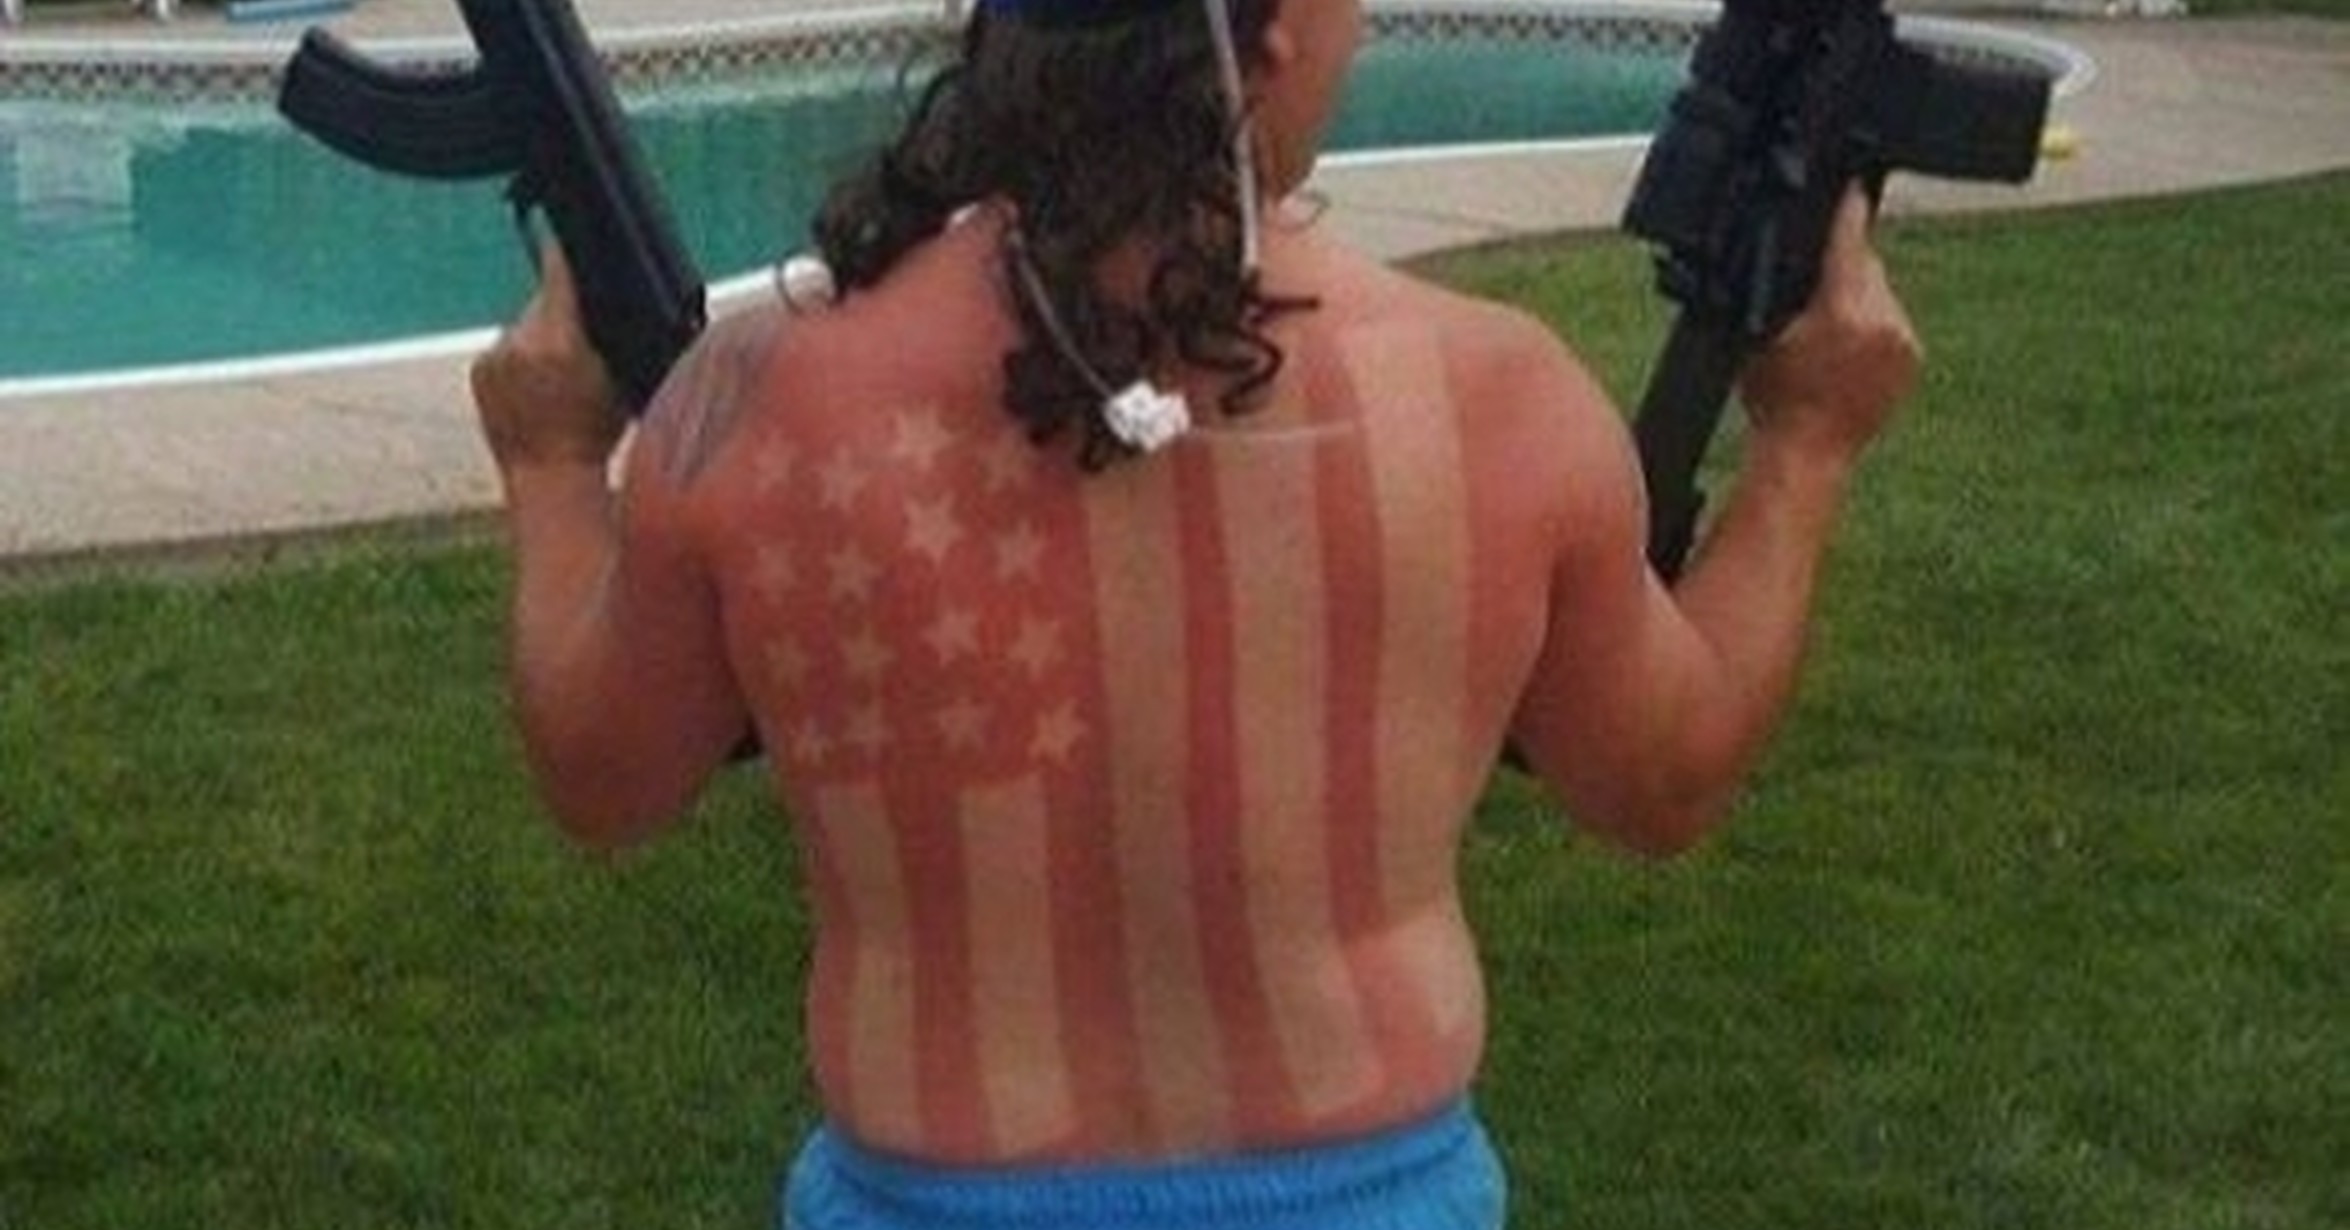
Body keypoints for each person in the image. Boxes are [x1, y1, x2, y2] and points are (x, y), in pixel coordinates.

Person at [466, 0, 1919, 1225]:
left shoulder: (763, 402)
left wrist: (549, 464)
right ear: (1276, 30)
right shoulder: (1497, 400)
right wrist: (1803, 446)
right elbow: (1658, 778)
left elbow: (604, 777)